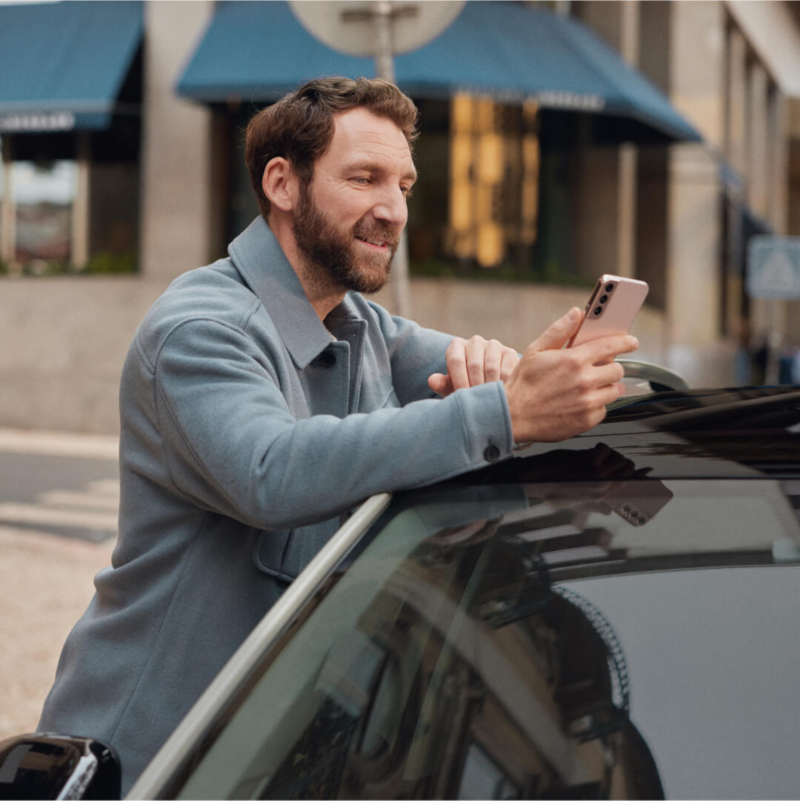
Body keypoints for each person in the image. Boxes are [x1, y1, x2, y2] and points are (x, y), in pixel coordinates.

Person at [38, 77, 637, 794]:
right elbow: (273, 470)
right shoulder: (199, 330)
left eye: (405, 184)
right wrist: (506, 413)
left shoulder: (362, 326)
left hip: (263, 760)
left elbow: (492, 394)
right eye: (365, 178)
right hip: (145, 759)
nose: (394, 209)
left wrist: (528, 381)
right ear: (283, 183)